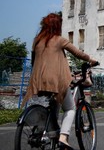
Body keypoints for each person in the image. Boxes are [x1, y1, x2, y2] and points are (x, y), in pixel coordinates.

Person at [21, 13, 98, 150]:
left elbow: (34, 61)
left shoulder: (36, 41)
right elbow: (77, 53)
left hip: (38, 80)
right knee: (70, 108)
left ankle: (47, 131)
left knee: (53, 105)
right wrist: (90, 59)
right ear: (57, 26)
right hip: (55, 80)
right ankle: (63, 138)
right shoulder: (59, 40)